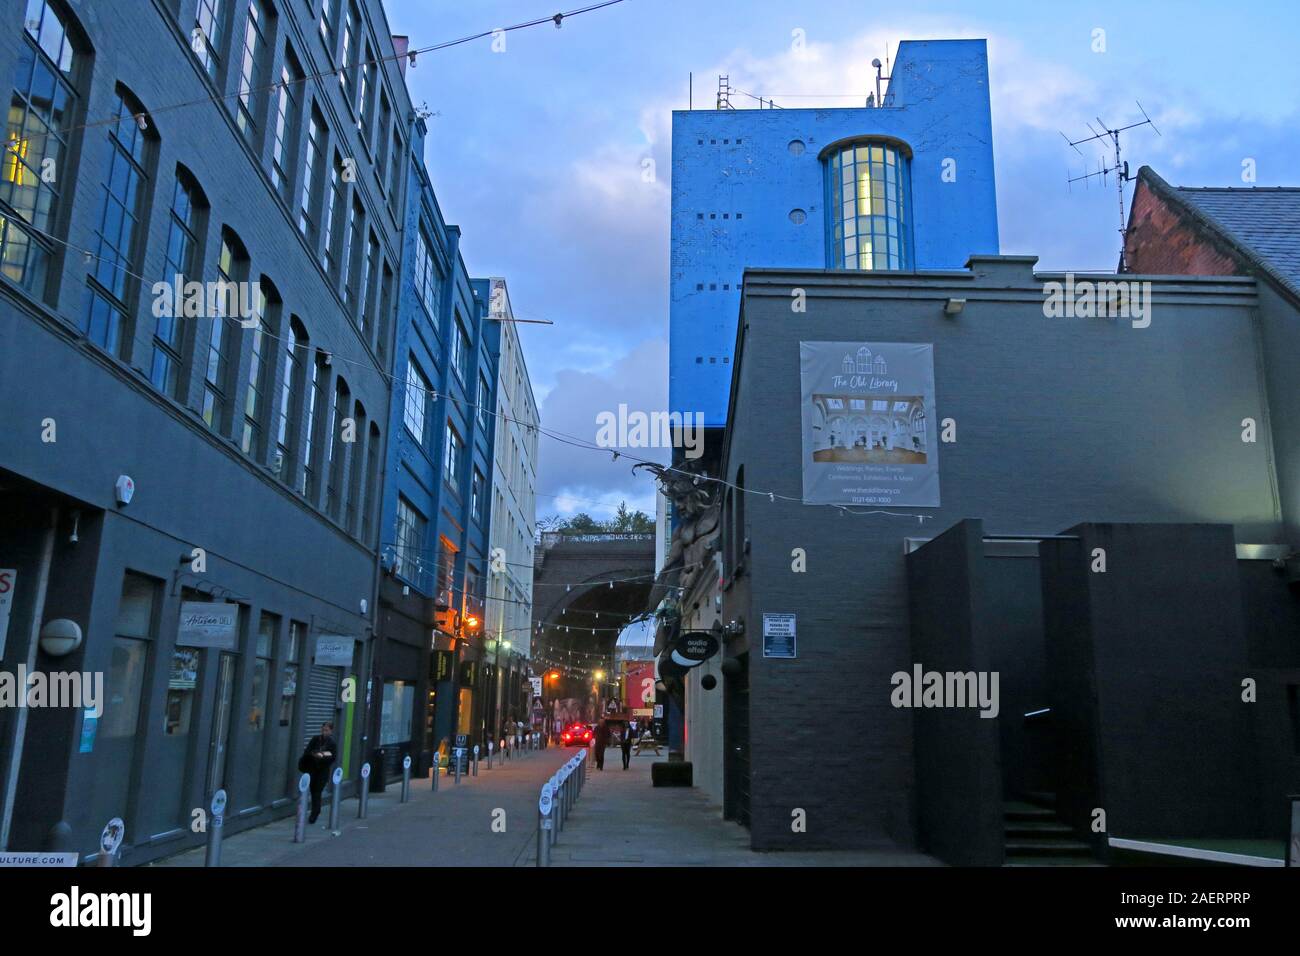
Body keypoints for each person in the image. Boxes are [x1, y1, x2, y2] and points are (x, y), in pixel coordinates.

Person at [303, 721, 337, 824]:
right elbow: (308, 751)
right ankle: (315, 810)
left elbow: (332, 757)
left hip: (323, 771)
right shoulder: (315, 739)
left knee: (317, 791)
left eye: (326, 730)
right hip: (313, 769)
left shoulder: (332, 743)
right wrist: (314, 754)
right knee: (313, 791)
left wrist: (322, 756)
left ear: (331, 731)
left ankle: (315, 813)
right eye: (322, 730)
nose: (324, 732)